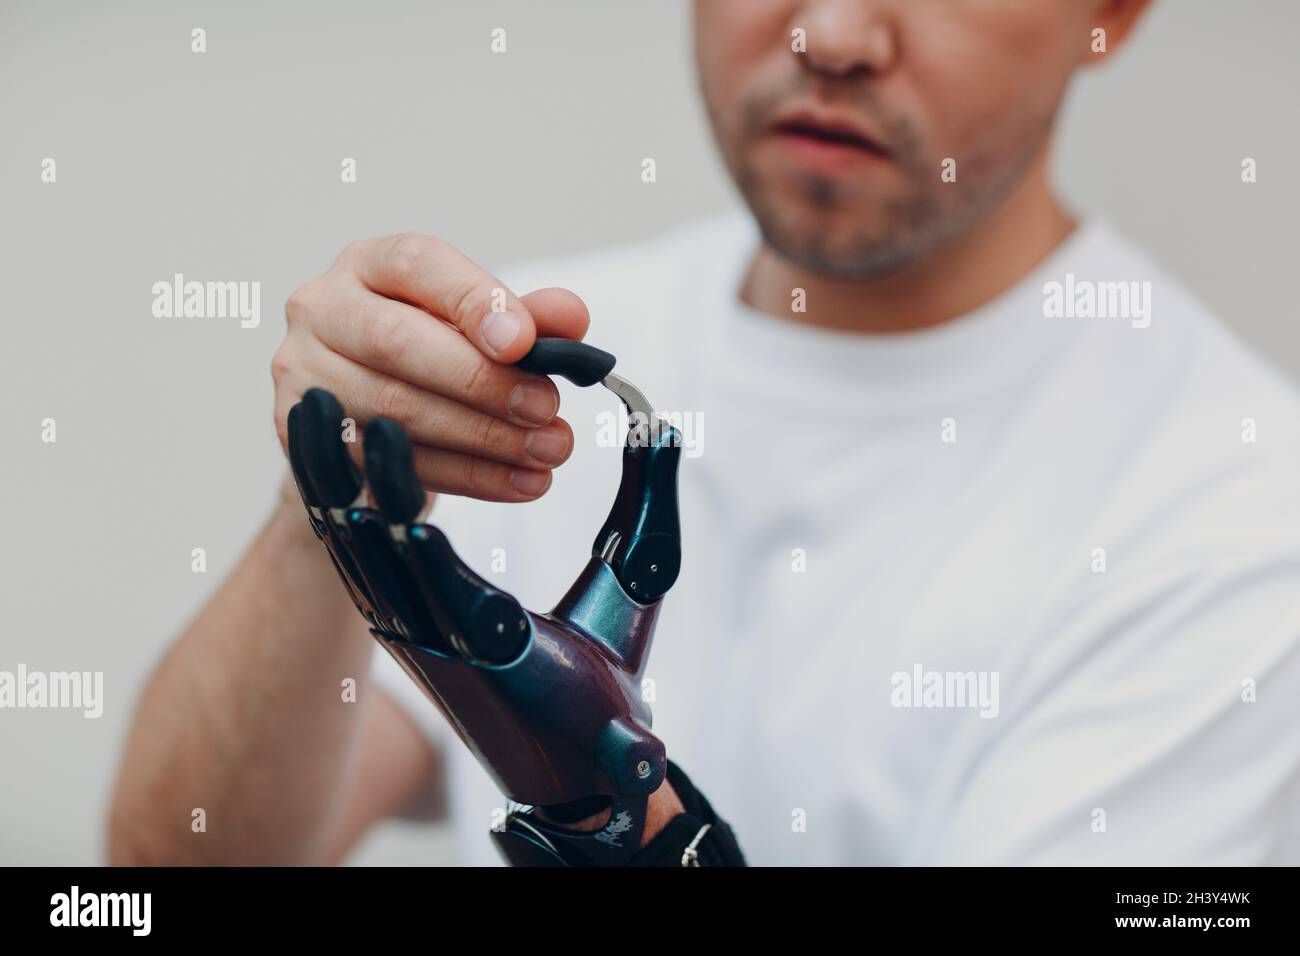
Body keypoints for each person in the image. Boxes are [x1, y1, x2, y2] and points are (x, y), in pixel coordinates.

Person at [110, 0, 1300, 866]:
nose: (831, 34)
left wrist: (615, 822)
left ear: (1110, 14)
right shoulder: (524, 378)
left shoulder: (1233, 507)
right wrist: (317, 526)